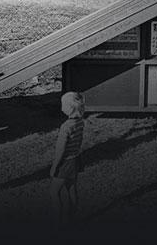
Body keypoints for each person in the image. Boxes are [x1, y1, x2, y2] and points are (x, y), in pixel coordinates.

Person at [49, 91, 85, 225]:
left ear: (69, 108)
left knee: (54, 193)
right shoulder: (80, 122)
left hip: (65, 163)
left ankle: (58, 223)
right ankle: (72, 219)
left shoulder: (65, 127)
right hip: (76, 159)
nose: (61, 107)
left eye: (62, 104)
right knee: (72, 190)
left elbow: (60, 150)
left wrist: (54, 167)